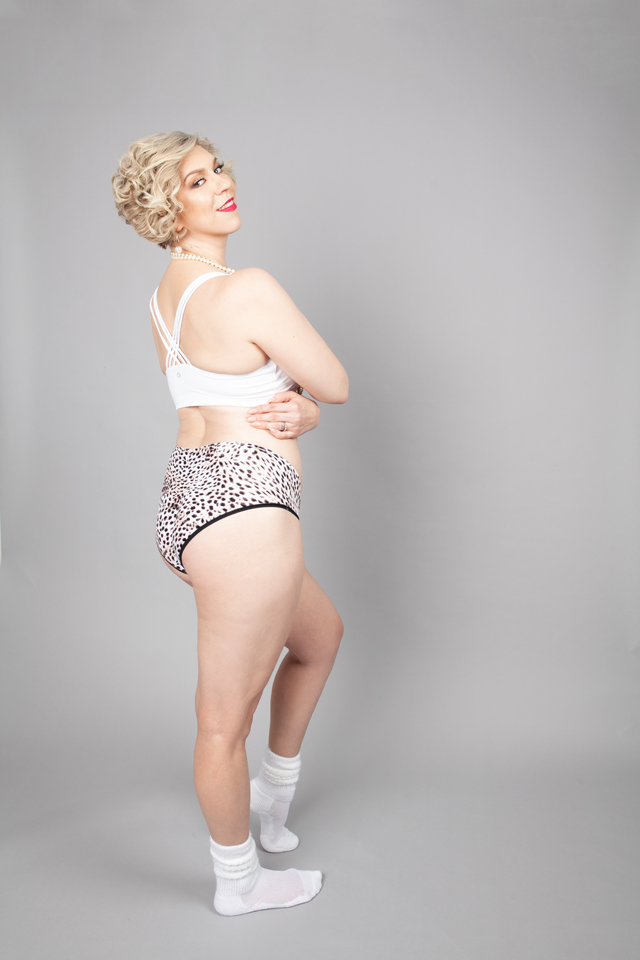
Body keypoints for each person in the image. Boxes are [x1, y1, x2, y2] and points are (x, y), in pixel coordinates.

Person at [111, 132, 348, 916]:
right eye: (196, 180)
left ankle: (271, 802)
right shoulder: (247, 288)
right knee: (221, 724)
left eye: (218, 168)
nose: (221, 183)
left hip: (189, 501)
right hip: (243, 515)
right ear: (167, 206)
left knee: (319, 637)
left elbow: (222, 393)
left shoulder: (163, 301)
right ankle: (239, 881)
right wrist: (310, 407)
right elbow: (334, 381)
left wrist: (299, 409)